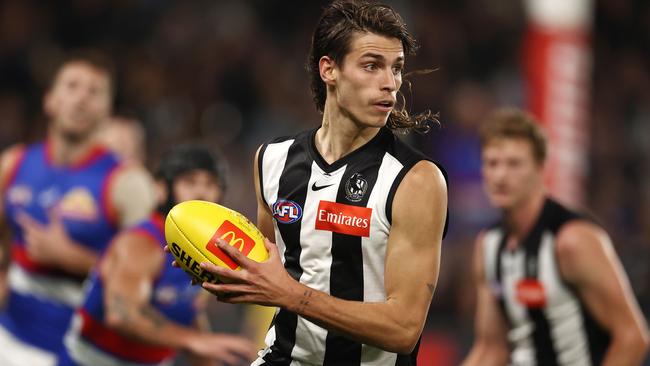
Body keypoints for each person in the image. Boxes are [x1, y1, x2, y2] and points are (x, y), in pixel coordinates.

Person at [178, 1, 449, 365]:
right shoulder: (272, 160)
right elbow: (268, 278)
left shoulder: (416, 180)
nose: (390, 83)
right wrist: (217, 268)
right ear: (329, 69)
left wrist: (291, 295)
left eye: (396, 68)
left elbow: (403, 329)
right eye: (371, 66)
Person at [0, 53, 156, 365]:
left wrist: (72, 257)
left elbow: (151, 279)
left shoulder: (128, 184)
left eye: (95, 91)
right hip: (10, 341)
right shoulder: (13, 163)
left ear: (107, 110)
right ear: (51, 100)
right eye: (72, 86)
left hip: (84, 354)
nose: (82, 99)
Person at [462, 108, 649, 366]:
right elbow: (491, 348)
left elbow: (632, 337)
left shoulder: (572, 241)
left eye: (514, 164)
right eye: (492, 163)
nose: (500, 176)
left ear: (541, 168)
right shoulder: (488, 245)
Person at [58, 144, 256, 366]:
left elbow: (188, 309)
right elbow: (122, 315)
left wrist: (206, 354)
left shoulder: (204, 248)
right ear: (161, 189)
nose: (202, 194)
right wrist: (194, 340)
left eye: (211, 184)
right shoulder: (140, 242)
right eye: (189, 182)